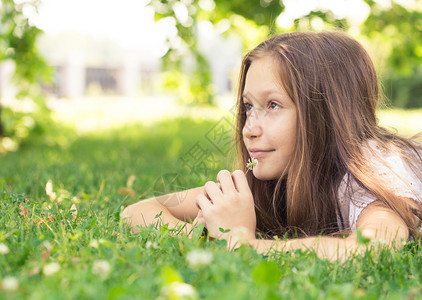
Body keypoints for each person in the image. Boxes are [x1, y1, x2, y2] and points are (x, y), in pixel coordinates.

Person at [121, 31, 422, 260]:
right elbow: (140, 210)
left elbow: (374, 248)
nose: (249, 128)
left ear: (326, 115)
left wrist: (245, 244)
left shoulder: (371, 170)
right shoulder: (273, 177)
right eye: (249, 107)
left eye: (273, 104)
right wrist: (202, 237)